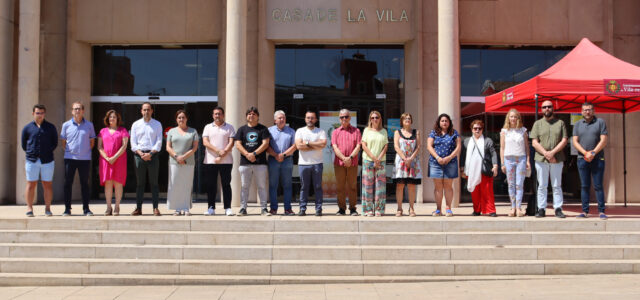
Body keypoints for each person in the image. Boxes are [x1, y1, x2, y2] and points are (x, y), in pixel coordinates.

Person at [530, 100, 568, 218]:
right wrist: (546, 153)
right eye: (544, 107)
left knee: (557, 185)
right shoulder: (537, 124)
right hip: (541, 159)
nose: (547, 109)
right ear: (541, 109)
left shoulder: (560, 123)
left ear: (553, 108)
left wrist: (552, 153)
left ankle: (558, 208)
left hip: (557, 158)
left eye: (549, 107)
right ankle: (541, 208)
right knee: (542, 185)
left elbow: (564, 140)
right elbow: (534, 142)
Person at [573, 102, 608, 219]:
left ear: (593, 111)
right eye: (585, 110)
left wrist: (593, 152)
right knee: (584, 186)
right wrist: (585, 153)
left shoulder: (600, 122)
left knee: (598, 186)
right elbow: (575, 141)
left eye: (589, 110)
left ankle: (601, 211)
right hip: (582, 159)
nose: (587, 112)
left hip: (598, 158)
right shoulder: (577, 124)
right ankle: (584, 211)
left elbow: (603, 140)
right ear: (581, 112)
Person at [21, 104, 58, 217]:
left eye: (42, 113)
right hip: (32, 160)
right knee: (31, 184)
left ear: (44, 114)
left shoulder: (51, 127)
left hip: (47, 161)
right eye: (37, 113)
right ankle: (29, 208)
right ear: (33, 114)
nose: (40, 115)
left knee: (47, 185)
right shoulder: (27, 128)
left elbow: (54, 143)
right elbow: (24, 144)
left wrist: (46, 152)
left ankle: (47, 209)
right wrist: (32, 153)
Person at [60, 101, 96, 216]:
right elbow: (63, 143)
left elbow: (92, 142)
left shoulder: (89, 125)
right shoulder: (66, 125)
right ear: (72, 111)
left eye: (79, 108)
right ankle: (67, 209)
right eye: (75, 109)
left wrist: (83, 152)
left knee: (85, 184)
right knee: (67, 184)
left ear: (83, 111)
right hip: (70, 158)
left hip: (84, 159)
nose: (77, 111)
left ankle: (86, 209)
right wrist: (72, 152)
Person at [234, 107, 271, 216]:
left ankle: (264, 208)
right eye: (249, 114)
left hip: (260, 163)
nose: (251, 115)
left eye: (254, 114)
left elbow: (265, 144)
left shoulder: (263, 129)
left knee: (262, 186)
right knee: (245, 186)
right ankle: (243, 208)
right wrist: (247, 154)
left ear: (258, 116)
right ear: (246, 116)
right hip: (245, 163)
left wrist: (254, 154)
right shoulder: (241, 129)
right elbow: (237, 144)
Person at [130, 102, 163, 216]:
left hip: (153, 156)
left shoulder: (157, 124)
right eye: (144, 110)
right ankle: (138, 208)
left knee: (154, 183)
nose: (146, 112)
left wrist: (150, 154)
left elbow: (159, 142)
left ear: (152, 111)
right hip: (139, 156)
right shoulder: (135, 124)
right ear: (141, 111)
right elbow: (133, 143)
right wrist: (140, 153)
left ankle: (155, 208)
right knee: (140, 183)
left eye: (148, 110)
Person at [202, 106, 236, 216]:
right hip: (210, 161)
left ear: (223, 115)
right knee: (211, 185)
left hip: (226, 161)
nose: (217, 116)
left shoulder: (230, 127)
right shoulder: (207, 127)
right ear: (213, 115)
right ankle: (211, 207)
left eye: (219, 114)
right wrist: (218, 151)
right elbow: (205, 142)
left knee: (226, 184)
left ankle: (228, 208)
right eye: (215, 114)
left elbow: (231, 143)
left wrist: (222, 155)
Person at [461, 120, 498, 217]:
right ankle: (477, 210)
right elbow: (463, 155)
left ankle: (491, 210)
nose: (477, 130)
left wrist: (495, 166)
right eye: (475, 128)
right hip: (471, 170)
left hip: (484, 169)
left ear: (482, 129)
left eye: (479, 128)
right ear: (471, 129)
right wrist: (462, 169)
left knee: (487, 191)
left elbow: (493, 153)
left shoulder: (488, 140)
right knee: (474, 192)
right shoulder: (466, 141)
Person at [426, 113, 461, 217]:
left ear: (449, 122)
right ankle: (438, 209)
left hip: (450, 162)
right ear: (439, 122)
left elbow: (458, 147)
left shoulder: (454, 133)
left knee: (448, 186)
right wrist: (437, 157)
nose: (444, 123)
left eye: (446, 121)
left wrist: (449, 157)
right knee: (438, 187)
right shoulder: (433, 133)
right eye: (442, 121)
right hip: (435, 162)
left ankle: (448, 209)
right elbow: (429, 146)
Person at [166, 110, 199, 216]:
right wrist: (177, 157)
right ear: (176, 119)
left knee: (186, 184)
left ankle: (185, 208)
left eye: (183, 117)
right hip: (174, 162)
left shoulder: (193, 131)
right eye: (179, 117)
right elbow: (168, 147)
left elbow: (194, 148)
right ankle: (177, 208)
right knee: (175, 184)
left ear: (186, 119)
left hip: (188, 162)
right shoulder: (171, 131)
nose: (181, 119)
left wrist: (183, 157)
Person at [295, 110, 327, 216]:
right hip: (303, 164)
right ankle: (302, 208)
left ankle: (318, 209)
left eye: (312, 118)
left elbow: (323, 144)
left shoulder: (321, 131)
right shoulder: (300, 131)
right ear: (305, 119)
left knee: (318, 186)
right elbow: (299, 146)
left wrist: (307, 143)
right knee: (304, 187)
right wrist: (315, 145)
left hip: (317, 163)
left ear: (316, 119)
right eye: (308, 117)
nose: (310, 120)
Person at [97, 110, 129, 216]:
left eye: (114, 117)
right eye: (110, 117)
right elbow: (99, 146)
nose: (112, 119)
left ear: (117, 119)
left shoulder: (123, 130)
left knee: (118, 183)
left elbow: (124, 146)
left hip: (119, 160)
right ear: (107, 119)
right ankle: (108, 207)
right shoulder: (102, 131)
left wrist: (114, 157)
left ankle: (117, 206)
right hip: (106, 161)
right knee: (108, 183)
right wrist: (106, 157)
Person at [500, 108, 530, 217]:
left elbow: (527, 147)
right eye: (511, 116)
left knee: (519, 184)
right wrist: (502, 163)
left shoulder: (523, 130)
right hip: (508, 159)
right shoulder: (504, 131)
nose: (513, 118)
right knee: (511, 184)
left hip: (521, 158)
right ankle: (512, 207)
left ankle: (518, 207)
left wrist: (527, 160)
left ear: (518, 118)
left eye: (515, 116)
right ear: (508, 118)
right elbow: (502, 148)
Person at [266, 110, 297, 216]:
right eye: (280, 118)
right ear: (275, 120)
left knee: (287, 185)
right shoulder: (269, 131)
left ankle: (288, 209)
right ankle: (273, 208)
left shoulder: (291, 131)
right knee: (273, 185)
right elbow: (266, 146)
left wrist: (283, 155)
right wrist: (276, 155)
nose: (282, 119)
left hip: (287, 160)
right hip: (273, 160)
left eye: (283, 117)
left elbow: (295, 146)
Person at [331, 109, 361, 216]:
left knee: (352, 186)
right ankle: (341, 209)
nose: (344, 119)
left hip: (352, 163)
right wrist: (344, 158)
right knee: (340, 187)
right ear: (339, 118)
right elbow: (334, 147)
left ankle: (353, 208)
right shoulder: (335, 132)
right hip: (339, 163)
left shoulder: (356, 131)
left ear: (350, 118)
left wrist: (350, 158)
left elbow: (358, 146)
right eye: (342, 117)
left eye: (346, 117)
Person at [392, 113, 422, 217]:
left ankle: (412, 208)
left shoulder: (416, 132)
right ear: (402, 121)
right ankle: (399, 208)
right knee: (399, 185)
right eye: (405, 118)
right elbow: (396, 146)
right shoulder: (397, 132)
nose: (407, 120)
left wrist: (411, 159)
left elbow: (418, 147)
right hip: (401, 162)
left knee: (411, 186)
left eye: (409, 118)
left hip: (413, 161)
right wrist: (405, 159)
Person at [361, 110, 388, 217]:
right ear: (370, 119)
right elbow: (364, 145)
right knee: (367, 186)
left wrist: (379, 158)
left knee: (380, 186)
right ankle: (367, 209)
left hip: (381, 161)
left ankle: (379, 209)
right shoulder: (366, 130)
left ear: (380, 119)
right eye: (372, 118)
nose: (375, 119)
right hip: (368, 160)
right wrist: (373, 158)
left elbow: (385, 146)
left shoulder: (384, 131)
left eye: (377, 117)